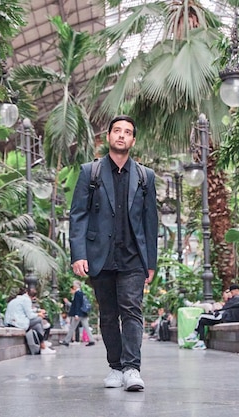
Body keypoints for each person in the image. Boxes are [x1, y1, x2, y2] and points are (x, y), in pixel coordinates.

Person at [69, 115, 158, 392]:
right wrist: (78, 254)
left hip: (132, 256)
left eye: (127, 132)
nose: (121, 135)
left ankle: (132, 368)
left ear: (133, 140)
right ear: (108, 137)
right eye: (117, 131)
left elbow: (150, 221)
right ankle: (115, 367)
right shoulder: (90, 172)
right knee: (108, 314)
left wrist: (150, 262)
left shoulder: (145, 176)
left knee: (132, 310)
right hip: (100, 255)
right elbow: (78, 216)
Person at [185, 284, 239, 350]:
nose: (231, 294)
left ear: (236, 291)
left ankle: (194, 334)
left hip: (224, 317)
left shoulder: (238, 298)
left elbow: (225, 307)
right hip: (225, 317)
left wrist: (216, 310)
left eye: (232, 292)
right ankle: (201, 342)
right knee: (202, 321)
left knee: (202, 316)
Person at [4, 287, 56, 355]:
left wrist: (37, 310)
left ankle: (43, 346)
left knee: (37, 325)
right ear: (33, 297)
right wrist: (39, 314)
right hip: (17, 323)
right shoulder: (26, 300)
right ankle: (44, 342)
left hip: (10, 322)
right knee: (39, 319)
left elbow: (26, 310)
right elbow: (30, 316)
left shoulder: (19, 299)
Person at [59, 280, 95, 347]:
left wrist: (76, 314)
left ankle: (66, 341)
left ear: (76, 286)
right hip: (83, 313)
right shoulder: (81, 293)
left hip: (78, 314)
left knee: (72, 327)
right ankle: (91, 340)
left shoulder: (77, 293)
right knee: (86, 327)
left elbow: (78, 305)